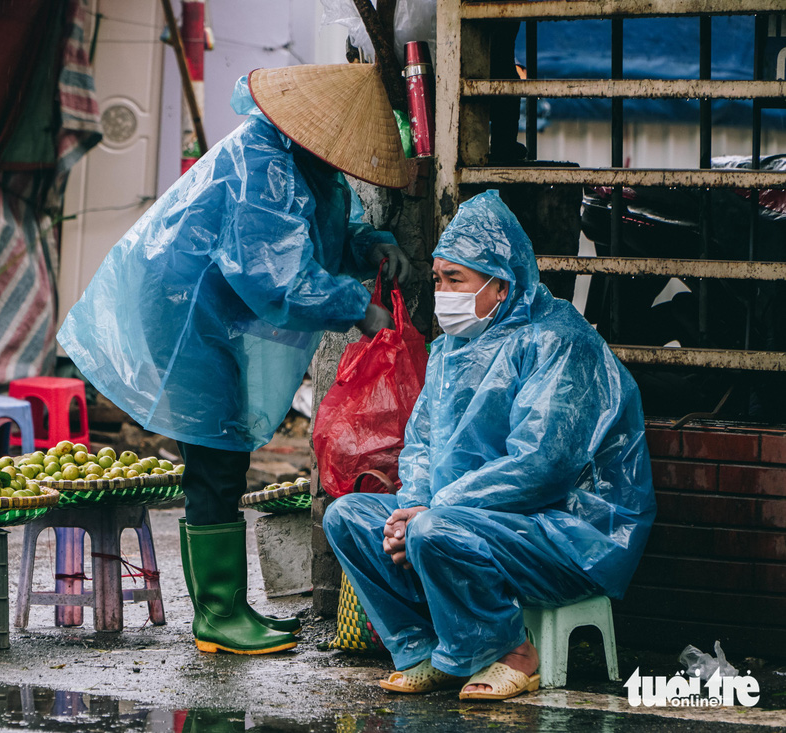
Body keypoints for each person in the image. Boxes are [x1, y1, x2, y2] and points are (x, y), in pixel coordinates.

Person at [58, 63, 414, 655]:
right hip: (184, 312)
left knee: (222, 451)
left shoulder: (308, 166)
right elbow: (274, 276)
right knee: (217, 456)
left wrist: (374, 246)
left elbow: (328, 232)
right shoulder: (265, 165)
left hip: (207, 312)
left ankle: (224, 609)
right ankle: (218, 616)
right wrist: (357, 305)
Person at [324, 190, 656, 700]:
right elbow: (421, 443)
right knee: (347, 517)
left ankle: (513, 652)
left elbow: (541, 465)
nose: (442, 292)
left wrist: (434, 510)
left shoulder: (557, 341)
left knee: (434, 529)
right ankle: (426, 648)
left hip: (568, 529)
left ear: (501, 283)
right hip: (467, 517)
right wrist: (412, 501)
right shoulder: (451, 348)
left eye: (455, 279)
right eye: (438, 279)